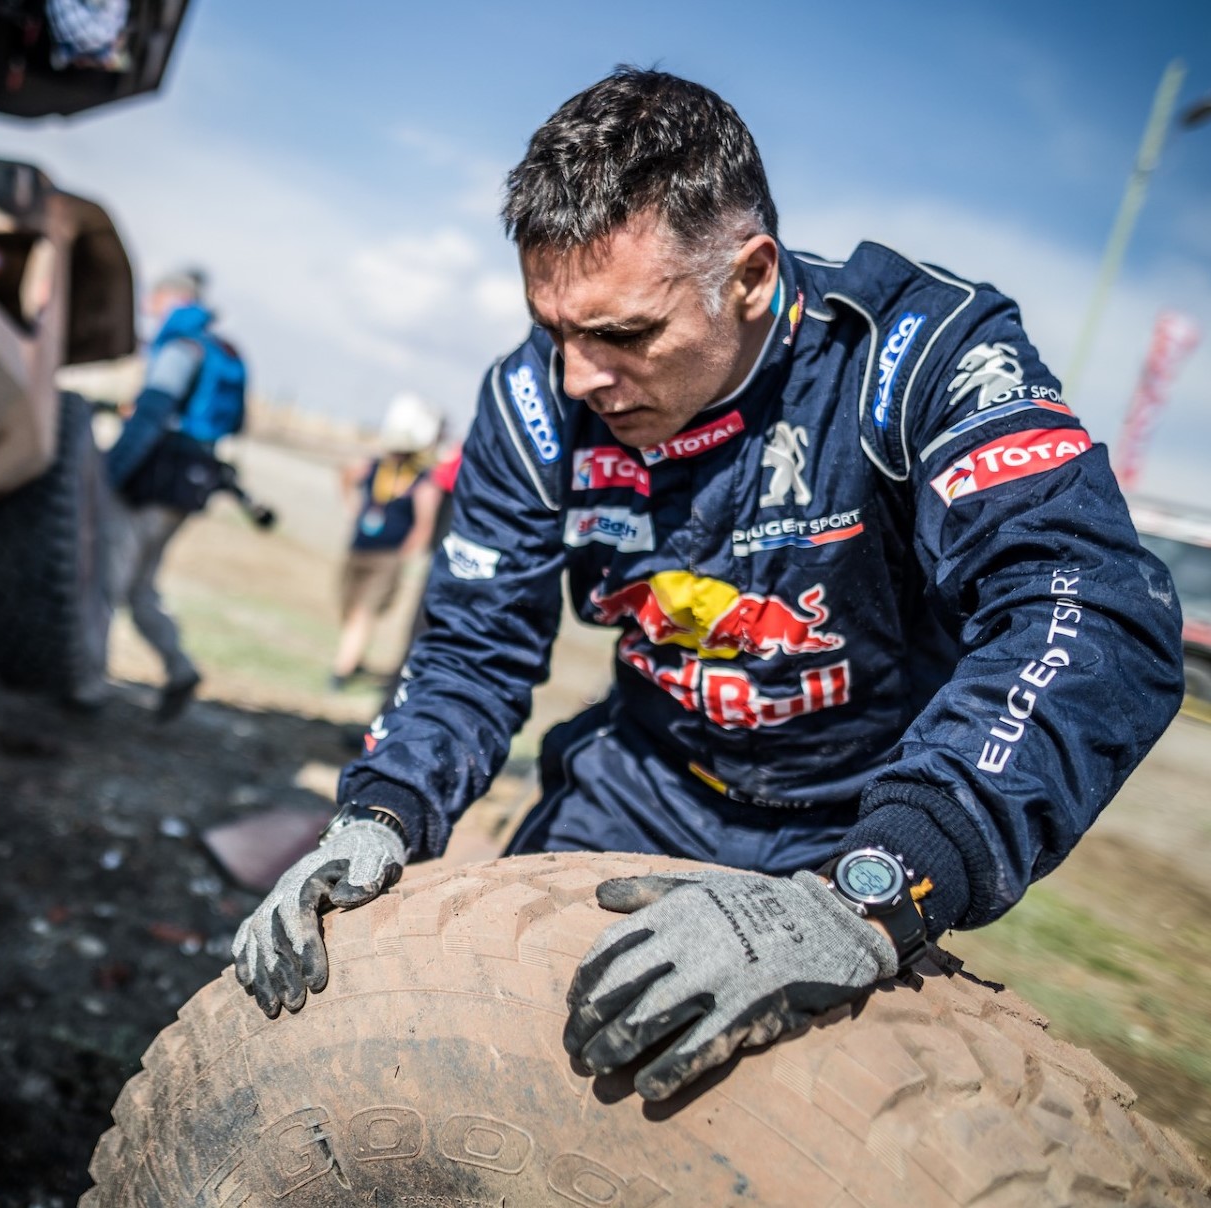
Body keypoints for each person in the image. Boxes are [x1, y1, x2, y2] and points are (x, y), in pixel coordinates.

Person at [231, 68, 1184, 1102]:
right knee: (480, 1086)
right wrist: (378, 812)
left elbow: (1089, 607)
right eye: (554, 328)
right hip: (640, 787)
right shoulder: (528, 402)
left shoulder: (914, 354)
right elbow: (470, 646)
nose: (579, 376)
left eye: (624, 334)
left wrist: (882, 879)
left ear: (750, 274)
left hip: (860, 816)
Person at [105, 269, 248, 719]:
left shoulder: (181, 345)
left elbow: (151, 412)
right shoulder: (218, 349)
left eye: (154, 296)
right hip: (189, 483)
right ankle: (179, 666)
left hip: (153, 480)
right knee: (140, 585)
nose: (148, 303)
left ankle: (83, 680)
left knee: (107, 579)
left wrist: (111, 473)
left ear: (172, 298)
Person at [330, 394, 445, 691]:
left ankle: (341, 671)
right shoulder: (373, 467)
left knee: (363, 612)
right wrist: (352, 507)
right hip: (358, 548)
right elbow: (345, 474)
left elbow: (424, 525)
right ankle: (352, 658)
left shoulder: (422, 481)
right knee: (348, 607)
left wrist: (403, 554)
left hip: (388, 557)